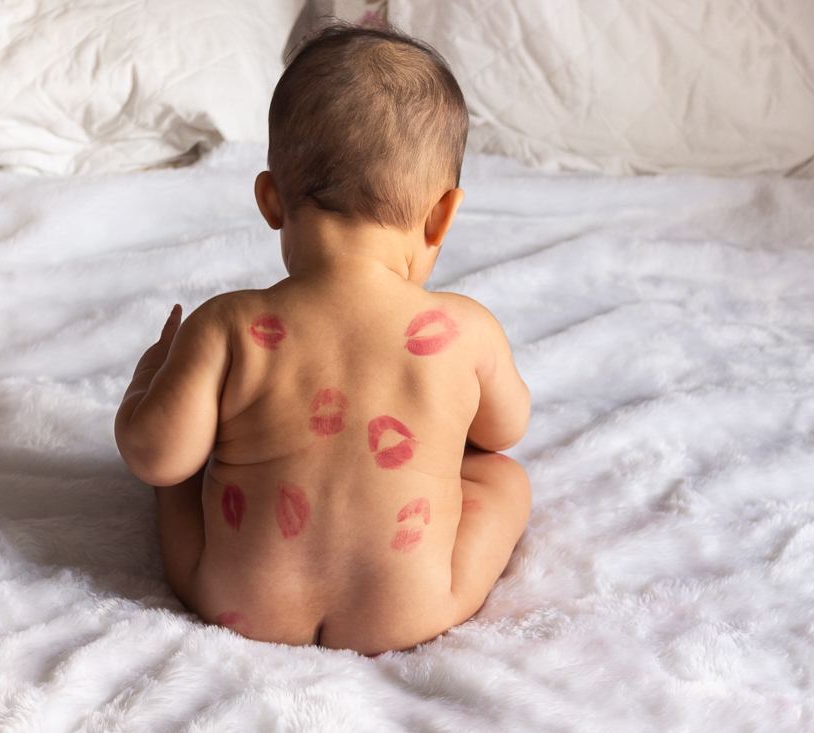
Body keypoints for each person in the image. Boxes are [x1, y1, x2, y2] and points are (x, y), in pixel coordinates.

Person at [115, 25, 531, 655]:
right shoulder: (467, 330)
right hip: (410, 609)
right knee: (503, 479)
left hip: (241, 600)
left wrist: (150, 379)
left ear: (270, 200)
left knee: (178, 477)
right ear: (443, 214)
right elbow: (504, 433)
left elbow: (154, 456)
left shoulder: (226, 325)